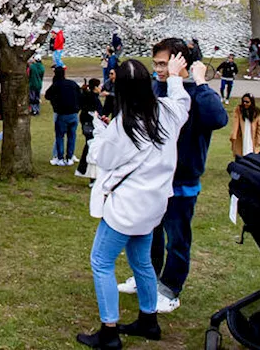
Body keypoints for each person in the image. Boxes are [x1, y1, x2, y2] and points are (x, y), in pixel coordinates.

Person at [76, 54, 193, 349]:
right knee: (141, 261)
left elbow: (102, 158)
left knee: (101, 261)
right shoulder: (166, 112)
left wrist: (97, 134)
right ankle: (148, 319)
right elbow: (182, 101)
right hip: (155, 205)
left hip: (127, 209)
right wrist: (176, 77)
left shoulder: (124, 126)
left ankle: (109, 331)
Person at [118, 38, 227, 314]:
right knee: (148, 233)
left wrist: (201, 83)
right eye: (155, 64)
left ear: (181, 63)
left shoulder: (196, 94)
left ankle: (171, 288)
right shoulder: (157, 88)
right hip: (154, 177)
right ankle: (148, 277)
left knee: (176, 237)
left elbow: (218, 119)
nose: (158, 70)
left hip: (183, 179)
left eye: (164, 64)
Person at [44, 65, 82, 166]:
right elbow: (80, 95)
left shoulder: (56, 85)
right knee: (72, 136)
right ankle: (69, 157)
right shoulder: (72, 84)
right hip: (74, 114)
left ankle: (60, 158)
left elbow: (47, 95)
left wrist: (55, 102)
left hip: (62, 114)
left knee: (60, 136)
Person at [75, 78, 103, 179]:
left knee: (89, 145)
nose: (101, 87)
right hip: (90, 124)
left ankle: (82, 169)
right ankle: (86, 171)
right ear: (95, 87)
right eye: (99, 86)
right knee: (91, 146)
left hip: (86, 122)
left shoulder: (86, 95)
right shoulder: (93, 98)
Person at [229, 94, 260, 159]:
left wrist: (259, 140)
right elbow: (235, 122)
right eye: (243, 101)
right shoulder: (239, 109)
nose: (245, 103)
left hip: (252, 136)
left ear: (252, 102)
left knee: (251, 153)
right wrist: (233, 135)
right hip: (241, 135)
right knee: (240, 152)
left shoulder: (257, 111)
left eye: (247, 102)